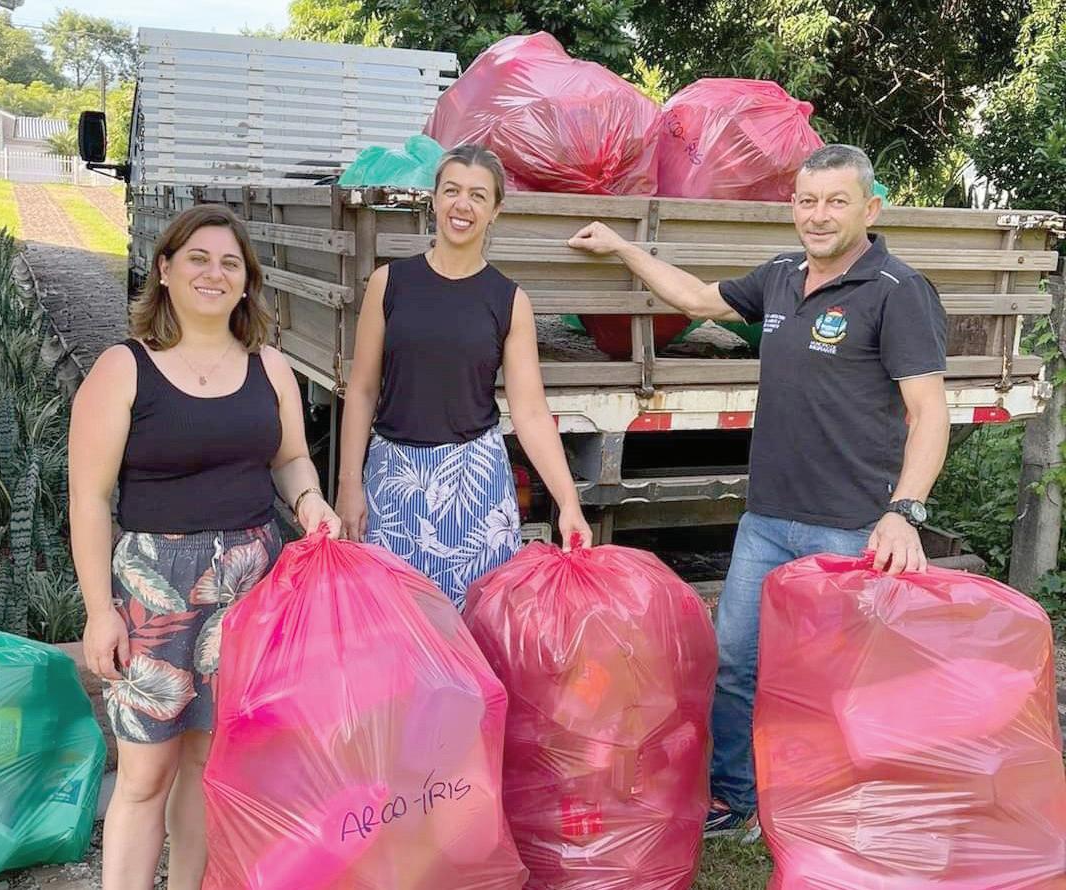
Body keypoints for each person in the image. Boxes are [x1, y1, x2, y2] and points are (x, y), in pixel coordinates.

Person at [567, 144, 950, 840]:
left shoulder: (898, 291)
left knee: (831, 681)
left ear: (871, 209)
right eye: (807, 201)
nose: (818, 215)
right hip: (767, 519)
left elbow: (929, 413)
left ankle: (825, 815)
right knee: (736, 664)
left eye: (836, 201)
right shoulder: (779, 277)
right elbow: (694, 298)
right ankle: (736, 798)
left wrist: (903, 512)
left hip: (849, 526)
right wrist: (624, 247)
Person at [68, 204, 340, 890]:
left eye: (229, 263)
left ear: (247, 282)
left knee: (208, 764)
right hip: (154, 591)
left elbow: (290, 459)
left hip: (250, 588)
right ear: (164, 270)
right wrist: (99, 612)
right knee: (144, 774)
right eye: (197, 258)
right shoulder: (123, 368)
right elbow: (89, 500)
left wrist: (309, 501)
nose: (213, 274)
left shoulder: (270, 367)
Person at [335, 142, 592, 608]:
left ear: (495, 211)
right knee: (394, 623)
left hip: (475, 488)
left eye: (478, 195)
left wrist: (569, 504)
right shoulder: (389, 283)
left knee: (475, 625)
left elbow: (531, 413)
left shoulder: (509, 301)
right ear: (434, 199)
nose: (462, 205)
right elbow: (363, 389)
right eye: (452, 190)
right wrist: (349, 484)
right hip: (395, 481)